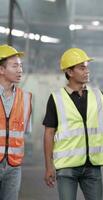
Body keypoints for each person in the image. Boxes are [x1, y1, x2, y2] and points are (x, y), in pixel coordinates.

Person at [43, 47, 103, 200]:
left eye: (87, 67)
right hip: (66, 167)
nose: (87, 71)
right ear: (70, 72)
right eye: (81, 67)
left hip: (92, 167)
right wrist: (48, 166)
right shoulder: (56, 99)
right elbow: (48, 133)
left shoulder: (98, 95)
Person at [0, 44, 32, 200]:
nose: (20, 70)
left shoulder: (26, 98)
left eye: (21, 66)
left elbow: (24, 132)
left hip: (14, 167)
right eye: (15, 66)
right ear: (1, 70)